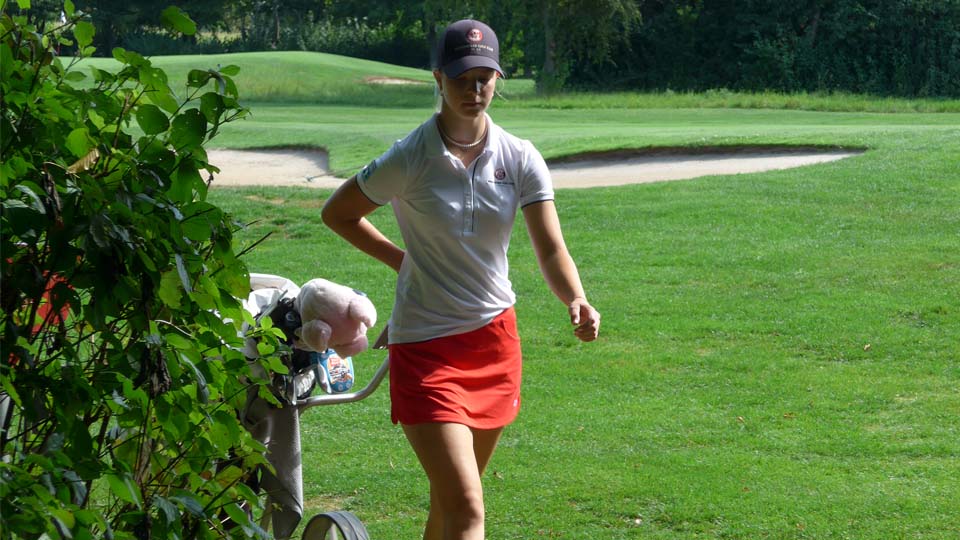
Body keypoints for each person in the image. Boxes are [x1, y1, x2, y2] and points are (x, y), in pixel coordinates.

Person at [321, 18, 601, 540]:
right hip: (425, 346)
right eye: (462, 78)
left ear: (498, 78)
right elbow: (338, 213)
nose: (474, 90)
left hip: (495, 343)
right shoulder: (410, 156)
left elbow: (550, 247)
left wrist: (576, 298)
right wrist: (402, 261)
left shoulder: (520, 157)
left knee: (446, 509)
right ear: (438, 78)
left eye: (485, 78)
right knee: (469, 508)